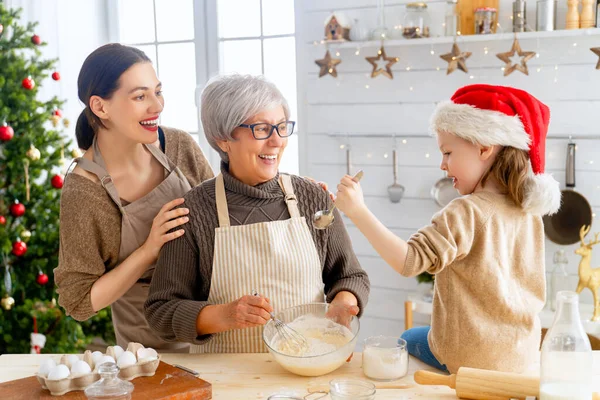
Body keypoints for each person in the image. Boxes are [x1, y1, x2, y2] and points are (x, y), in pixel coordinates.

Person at [333, 84, 561, 373]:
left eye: (448, 152)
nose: (442, 164)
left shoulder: (466, 210)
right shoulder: (529, 212)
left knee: (407, 339)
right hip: (522, 357)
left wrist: (357, 211)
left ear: (483, 147)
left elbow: (408, 261)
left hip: (473, 361)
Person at [144, 74, 370, 353]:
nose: (277, 141)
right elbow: (161, 312)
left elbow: (350, 276)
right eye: (262, 129)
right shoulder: (193, 212)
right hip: (228, 380)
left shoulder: (312, 198)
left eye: (282, 127)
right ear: (223, 139)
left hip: (307, 368)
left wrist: (342, 304)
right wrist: (224, 315)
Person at [54, 43, 214, 351]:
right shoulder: (85, 190)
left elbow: (223, 212)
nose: (157, 105)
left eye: (158, 91)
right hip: (151, 351)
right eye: (140, 96)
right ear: (101, 107)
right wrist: (149, 250)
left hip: (219, 323)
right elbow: (80, 302)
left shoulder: (178, 145)